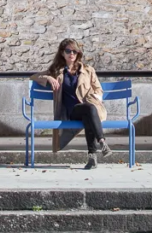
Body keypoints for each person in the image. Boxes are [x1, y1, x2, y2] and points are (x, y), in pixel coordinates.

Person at [31, 38, 112, 170]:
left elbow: (98, 89)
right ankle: (101, 141)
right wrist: (49, 77)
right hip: (71, 112)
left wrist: (93, 97)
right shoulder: (57, 70)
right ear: (62, 53)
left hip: (89, 109)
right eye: (68, 51)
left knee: (88, 114)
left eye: (74, 51)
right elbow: (34, 76)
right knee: (89, 110)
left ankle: (92, 157)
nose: (71, 54)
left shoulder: (87, 70)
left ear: (78, 53)